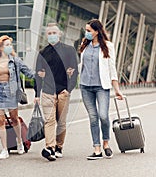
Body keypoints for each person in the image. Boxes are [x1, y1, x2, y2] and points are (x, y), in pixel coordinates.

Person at [79, 19, 123, 160]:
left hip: (102, 87)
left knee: (103, 116)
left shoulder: (108, 46)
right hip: (85, 86)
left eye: (89, 31)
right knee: (93, 117)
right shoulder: (84, 45)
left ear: (97, 31)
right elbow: (82, 65)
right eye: (86, 30)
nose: (86, 33)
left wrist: (117, 90)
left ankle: (106, 143)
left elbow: (112, 68)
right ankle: (97, 148)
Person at [34, 23, 78, 161]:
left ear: (60, 34)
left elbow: (75, 72)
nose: (52, 35)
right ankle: (50, 148)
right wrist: (36, 94)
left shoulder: (69, 50)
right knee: (49, 121)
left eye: (54, 33)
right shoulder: (42, 53)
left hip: (63, 92)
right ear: (46, 36)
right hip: (47, 92)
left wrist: (68, 90)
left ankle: (59, 146)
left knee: (62, 122)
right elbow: (38, 74)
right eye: (49, 33)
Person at [0, 35, 35, 160]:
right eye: (7, 45)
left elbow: (28, 71)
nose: (10, 47)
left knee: (14, 118)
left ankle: (19, 142)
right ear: (1, 47)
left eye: (10, 45)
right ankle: (4, 149)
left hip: (11, 91)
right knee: (1, 120)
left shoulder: (15, 60)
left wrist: (40, 75)